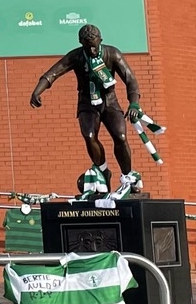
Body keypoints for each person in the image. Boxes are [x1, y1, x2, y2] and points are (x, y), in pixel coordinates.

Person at [29, 23, 145, 197]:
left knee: (120, 136)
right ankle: (103, 171)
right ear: (80, 43)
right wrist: (37, 91)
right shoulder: (76, 56)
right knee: (89, 135)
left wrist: (134, 103)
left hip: (109, 101)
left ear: (101, 41)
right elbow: (53, 73)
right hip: (87, 102)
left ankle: (127, 176)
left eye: (94, 46)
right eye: (87, 46)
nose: (91, 50)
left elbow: (130, 80)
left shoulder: (112, 53)